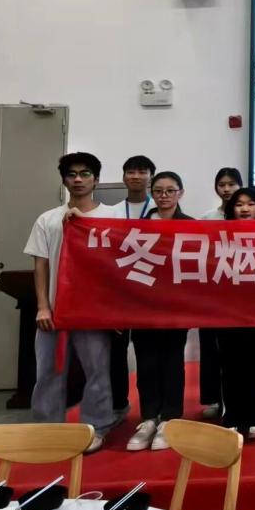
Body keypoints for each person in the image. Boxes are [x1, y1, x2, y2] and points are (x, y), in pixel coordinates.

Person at [25, 152, 116, 454]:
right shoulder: (48, 219)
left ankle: (96, 427)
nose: (78, 179)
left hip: (93, 312)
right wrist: (43, 306)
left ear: (96, 179)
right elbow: (41, 265)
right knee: (47, 371)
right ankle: (48, 429)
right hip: (54, 310)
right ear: (64, 180)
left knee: (97, 371)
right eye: (72, 174)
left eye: (85, 173)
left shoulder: (113, 217)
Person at [126, 171, 191, 452]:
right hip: (142, 307)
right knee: (147, 363)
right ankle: (149, 418)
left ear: (180, 193)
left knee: (172, 361)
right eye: (159, 191)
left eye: (170, 190)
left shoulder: (192, 226)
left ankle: (170, 418)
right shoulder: (137, 227)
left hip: (176, 308)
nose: (164, 196)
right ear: (152, 193)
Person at [216, 188, 255, 439]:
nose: (245, 209)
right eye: (239, 204)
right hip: (226, 311)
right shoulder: (218, 237)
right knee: (229, 364)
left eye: (251, 204)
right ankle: (232, 415)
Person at [108, 154, 156, 425]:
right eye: (131, 171)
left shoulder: (160, 211)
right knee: (115, 352)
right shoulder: (111, 212)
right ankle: (118, 405)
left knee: (147, 354)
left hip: (149, 295)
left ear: (150, 176)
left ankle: (150, 412)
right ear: (124, 176)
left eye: (142, 171)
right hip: (118, 293)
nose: (136, 176)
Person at [196, 167, 242, 419]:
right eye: (222, 184)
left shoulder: (250, 216)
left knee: (237, 351)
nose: (226, 189)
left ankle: (237, 398)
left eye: (231, 184)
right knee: (211, 349)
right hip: (213, 294)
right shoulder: (207, 218)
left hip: (241, 294)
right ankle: (214, 398)